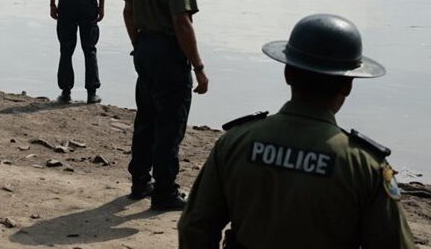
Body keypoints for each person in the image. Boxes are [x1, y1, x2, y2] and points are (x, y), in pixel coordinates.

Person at [178, 14, 416, 248]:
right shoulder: (365, 166)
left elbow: (195, 227)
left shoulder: (234, 143)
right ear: (348, 85)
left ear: (287, 73)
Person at [123, 0, 208, 211]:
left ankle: (139, 181)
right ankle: (165, 192)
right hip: (168, 54)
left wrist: (138, 46)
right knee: (170, 125)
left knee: (146, 118)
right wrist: (198, 67)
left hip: (144, 48)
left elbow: (128, 11)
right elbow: (182, 22)